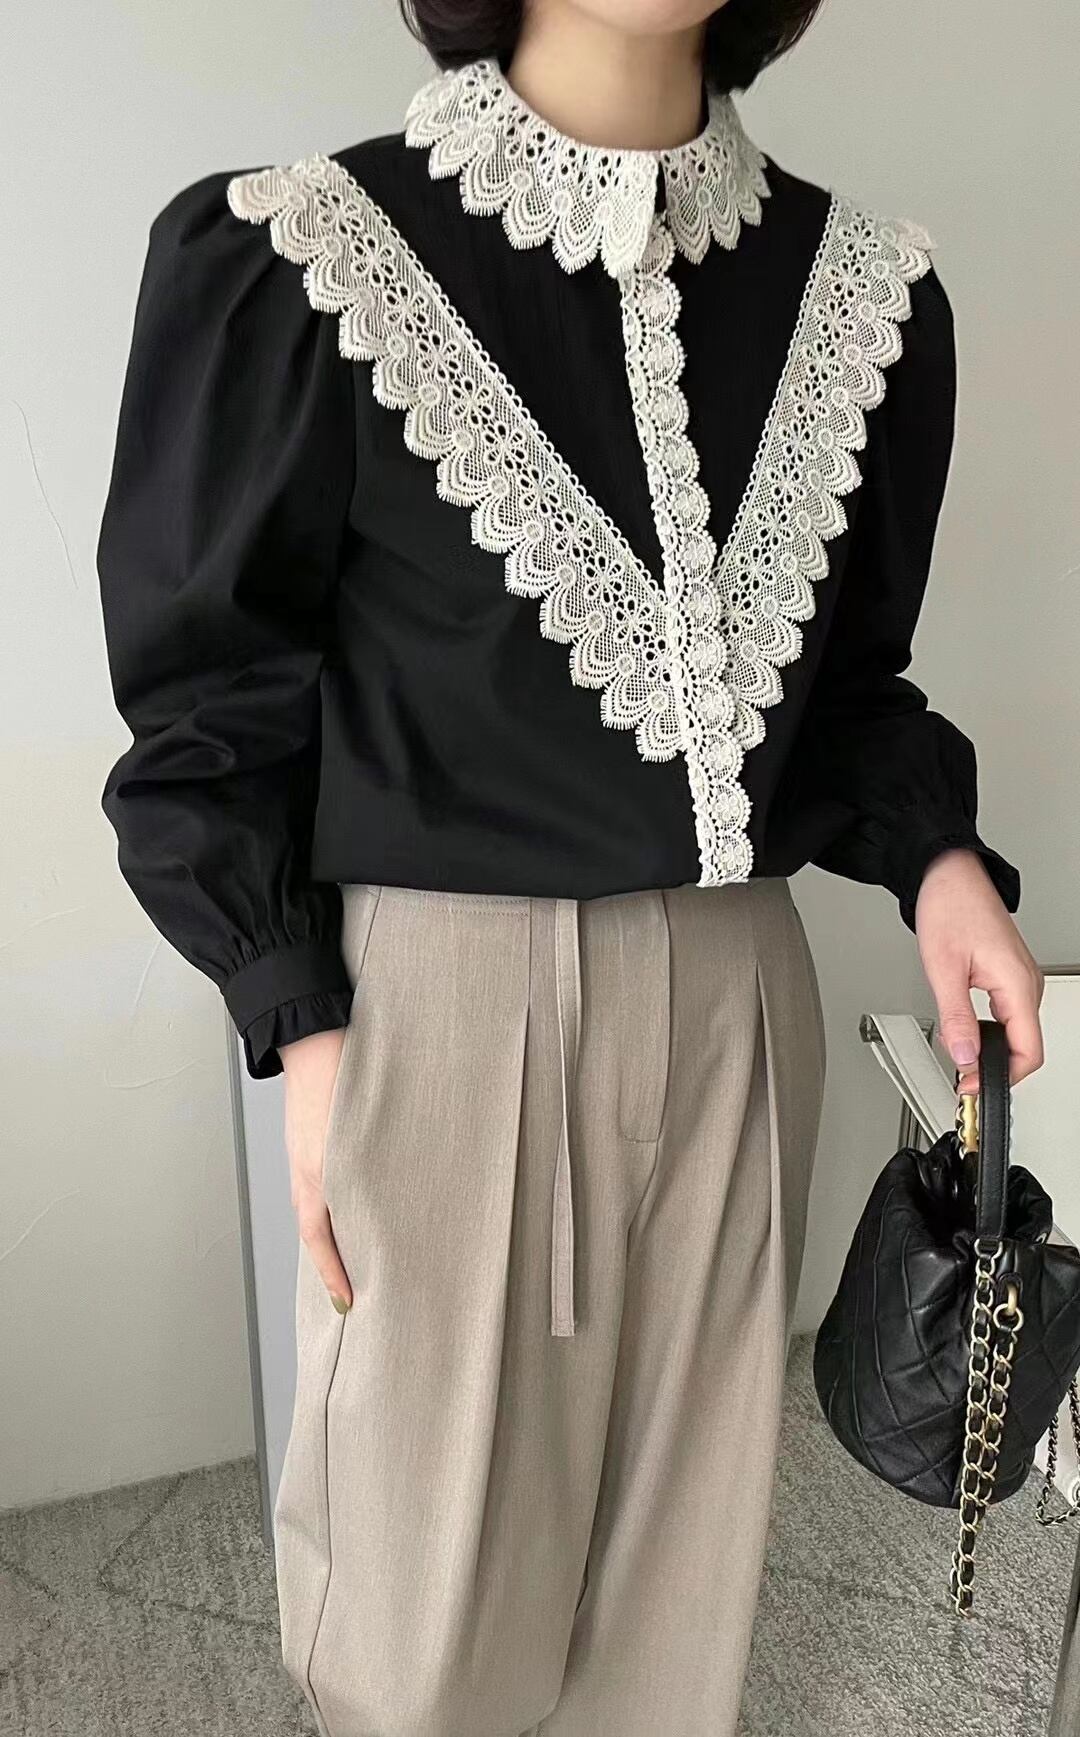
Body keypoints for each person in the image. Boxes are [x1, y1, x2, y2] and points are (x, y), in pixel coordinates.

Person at [95, 2, 1044, 1732]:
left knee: (680, 1589)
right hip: (441, 1007)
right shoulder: (307, 257)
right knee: (421, 1609)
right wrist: (301, 1014)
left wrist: (940, 863)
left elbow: (847, 694)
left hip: (739, 993)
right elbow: (212, 701)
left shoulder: (862, 295)